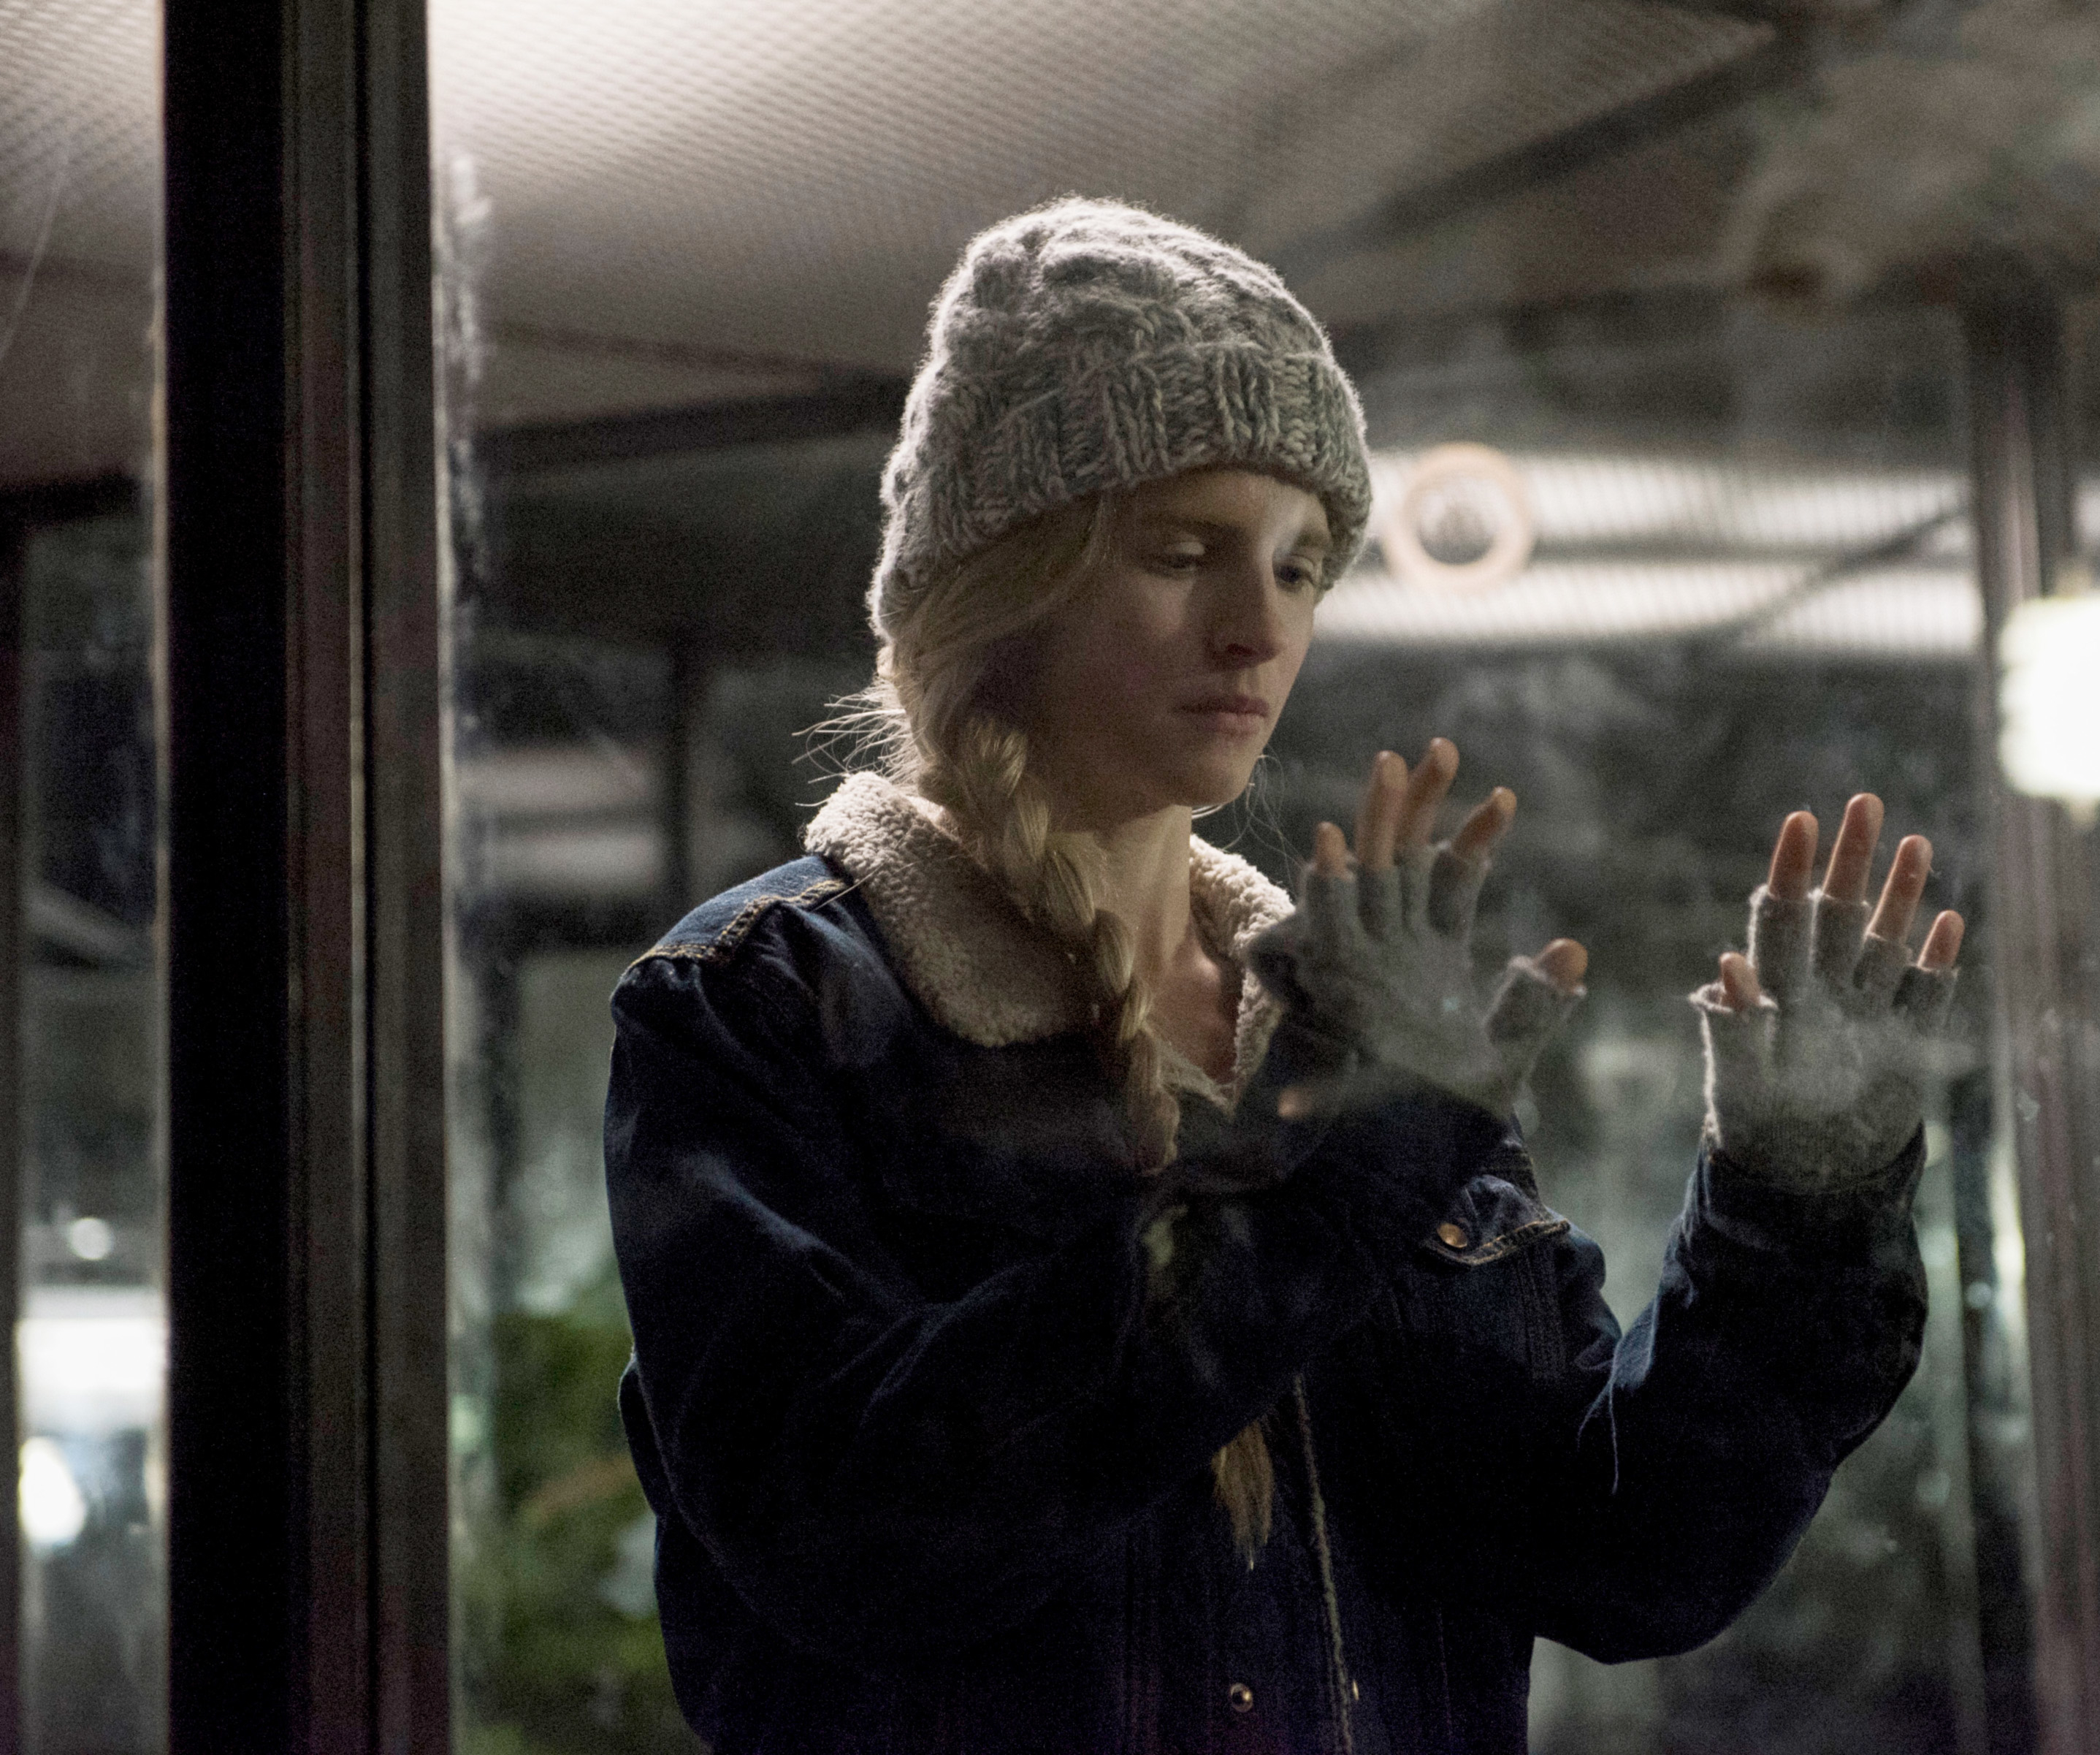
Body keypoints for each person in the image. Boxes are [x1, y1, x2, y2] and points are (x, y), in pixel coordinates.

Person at [603, 197, 1966, 1755]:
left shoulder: (1354, 1015)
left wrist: (1797, 1199)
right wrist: (1325, 1172)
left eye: (1303, 565)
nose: (1257, 628)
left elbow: (1625, 1560)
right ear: (1004, 577)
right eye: (1182, 553)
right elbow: (858, 1537)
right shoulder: (764, 1006)